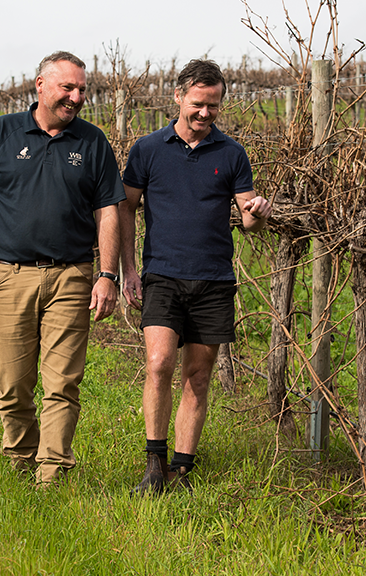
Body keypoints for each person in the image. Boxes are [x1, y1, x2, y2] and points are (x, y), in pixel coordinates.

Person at [0, 50, 125, 487]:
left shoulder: (92, 142)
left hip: (71, 275)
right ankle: (19, 459)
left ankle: (51, 474)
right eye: (67, 88)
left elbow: (109, 210)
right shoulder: (3, 132)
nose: (76, 97)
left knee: (62, 383)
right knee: (13, 384)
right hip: (9, 275)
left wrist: (107, 275)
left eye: (82, 90)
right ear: (40, 85)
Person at [120, 58, 272, 494]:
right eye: (199, 104)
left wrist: (259, 213)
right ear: (179, 98)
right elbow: (127, 207)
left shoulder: (232, 153)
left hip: (214, 280)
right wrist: (129, 269)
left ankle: (181, 471)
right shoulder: (148, 149)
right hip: (163, 275)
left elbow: (248, 221)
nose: (206, 113)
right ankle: (153, 465)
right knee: (158, 364)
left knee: (198, 377)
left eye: (214, 106)